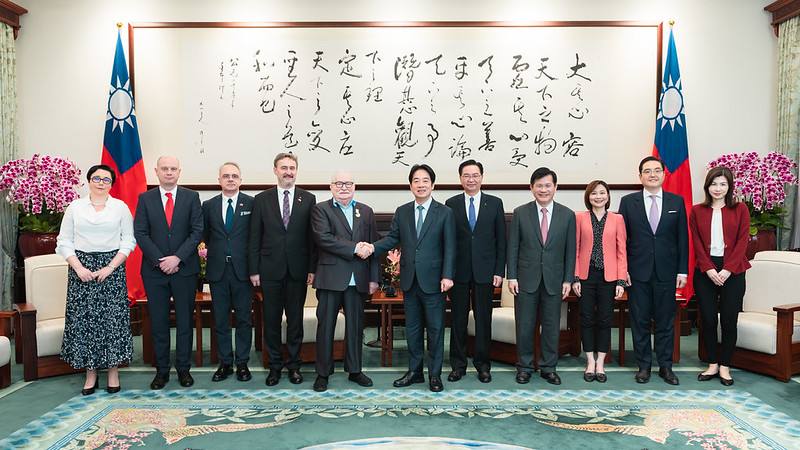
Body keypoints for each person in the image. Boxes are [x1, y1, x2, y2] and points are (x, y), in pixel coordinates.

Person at [360, 164, 456, 392]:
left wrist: (448, 275)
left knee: (435, 329)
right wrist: (372, 247)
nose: (420, 185)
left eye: (425, 181)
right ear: (410, 185)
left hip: (435, 281)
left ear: (433, 184)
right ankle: (415, 372)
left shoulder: (444, 213)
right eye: (416, 180)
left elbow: (451, 247)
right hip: (410, 281)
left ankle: (434, 374)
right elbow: (392, 238)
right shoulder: (402, 211)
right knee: (412, 328)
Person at [57, 164, 136, 395]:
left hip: (111, 268)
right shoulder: (75, 207)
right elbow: (64, 241)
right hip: (80, 268)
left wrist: (111, 267)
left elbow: (128, 241)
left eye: (106, 179)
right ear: (89, 180)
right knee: (85, 321)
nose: (101, 182)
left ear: (111, 184)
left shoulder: (120, 207)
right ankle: (90, 374)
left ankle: (113, 371)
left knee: (112, 321)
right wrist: (79, 267)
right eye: (97, 178)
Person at [134, 156, 203, 390]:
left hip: (184, 269)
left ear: (179, 172)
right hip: (155, 271)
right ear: (157, 171)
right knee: (159, 321)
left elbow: (197, 232)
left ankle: (184, 369)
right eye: (165, 169)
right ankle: (161, 371)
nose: (169, 172)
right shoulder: (145, 198)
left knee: (185, 321)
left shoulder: (192, 197)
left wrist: (178, 258)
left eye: (173, 169)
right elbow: (140, 233)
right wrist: (160, 260)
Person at [618, 156, 689, 385]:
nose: (652, 174)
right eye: (647, 171)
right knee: (639, 320)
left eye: (657, 170)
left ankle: (665, 367)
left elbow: (682, 240)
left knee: (665, 321)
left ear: (663, 174)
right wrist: (623, 270)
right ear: (640, 176)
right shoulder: (628, 202)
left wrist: (682, 271)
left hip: (667, 273)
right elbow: (622, 240)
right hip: (637, 273)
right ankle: (644, 366)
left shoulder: (676, 202)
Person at [249, 152, 316, 386]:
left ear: (296, 170)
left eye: (292, 167)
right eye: (283, 167)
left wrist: (312, 268)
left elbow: (312, 238)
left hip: (298, 271)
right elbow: (254, 237)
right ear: (275, 170)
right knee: (272, 320)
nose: (288, 171)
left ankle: (294, 366)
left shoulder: (308, 199)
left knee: (295, 321)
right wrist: (254, 270)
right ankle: (274, 367)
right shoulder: (261, 199)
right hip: (269, 271)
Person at [310, 171, 379, 392]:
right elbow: (324, 239)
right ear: (331, 187)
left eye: (348, 183)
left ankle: (355, 370)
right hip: (330, 278)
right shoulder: (321, 209)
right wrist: (355, 248)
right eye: (338, 183)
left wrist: (374, 278)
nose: (343, 187)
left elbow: (374, 246)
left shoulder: (365, 211)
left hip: (358, 279)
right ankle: (323, 373)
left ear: (354, 186)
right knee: (326, 327)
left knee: (356, 327)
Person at [507, 167, 576, 386]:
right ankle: (525, 367)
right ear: (531, 188)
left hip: (555, 280)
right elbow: (513, 247)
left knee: (551, 325)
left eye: (548, 185)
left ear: (555, 188)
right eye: (539, 185)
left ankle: (548, 367)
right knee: (525, 325)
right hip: (526, 279)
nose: (543, 189)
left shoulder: (567, 215)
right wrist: (512, 276)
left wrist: (568, 279)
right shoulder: (520, 212)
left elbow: (570, 250)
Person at [445, 160, 506, 383]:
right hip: (458, 273)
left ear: (482, 177)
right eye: (467, 175)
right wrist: (447, 273)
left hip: (486, 272)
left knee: (483, 320)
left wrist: (500, 270)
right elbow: (447, 241)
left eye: (475, 175)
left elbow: (501, 240)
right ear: (460, 178)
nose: (471, 179)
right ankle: (458, 365)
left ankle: (483, 364)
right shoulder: (451, 204)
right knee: (458, 320)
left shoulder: (495, 203)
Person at [689, 166, 750, 386]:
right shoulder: (697, 211)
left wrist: (727, 269)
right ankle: (712, 363)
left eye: (723, 184)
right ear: (707, 186)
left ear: (729, 186)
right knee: (706, 318)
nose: (718, 188)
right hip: (705, 270)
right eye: (714, 184)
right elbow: (696, 242)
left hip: (733, 270)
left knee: (728, 319)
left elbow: (743, 241)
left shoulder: (740, 209)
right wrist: (709, 269)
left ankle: (725, 365)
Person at [202, 162, 254, 383]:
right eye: (226, 176)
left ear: (241, 179)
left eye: (234, 176)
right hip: (218, 271)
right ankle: (225, 363)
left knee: (244, 319)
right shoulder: (208, 205)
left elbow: (256, 239)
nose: (230, 179)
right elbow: (203, 235)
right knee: (221, 320)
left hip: (244, 272)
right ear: (219, 180)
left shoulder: (252, 204)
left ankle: (242, 363)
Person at [571, 180, 627, 383]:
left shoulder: (617, 219)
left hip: (609, 277)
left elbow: (622, 251)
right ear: (588, 196)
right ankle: (589, 362)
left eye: (602, 193)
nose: (598, 196)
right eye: (594, 193)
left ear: (608, 196)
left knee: (605, 319)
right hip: (586, 276)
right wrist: (575, 277)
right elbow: (575, 249)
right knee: (586, 318)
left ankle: (601, 363)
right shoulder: (579, 218)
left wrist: (621, 280)